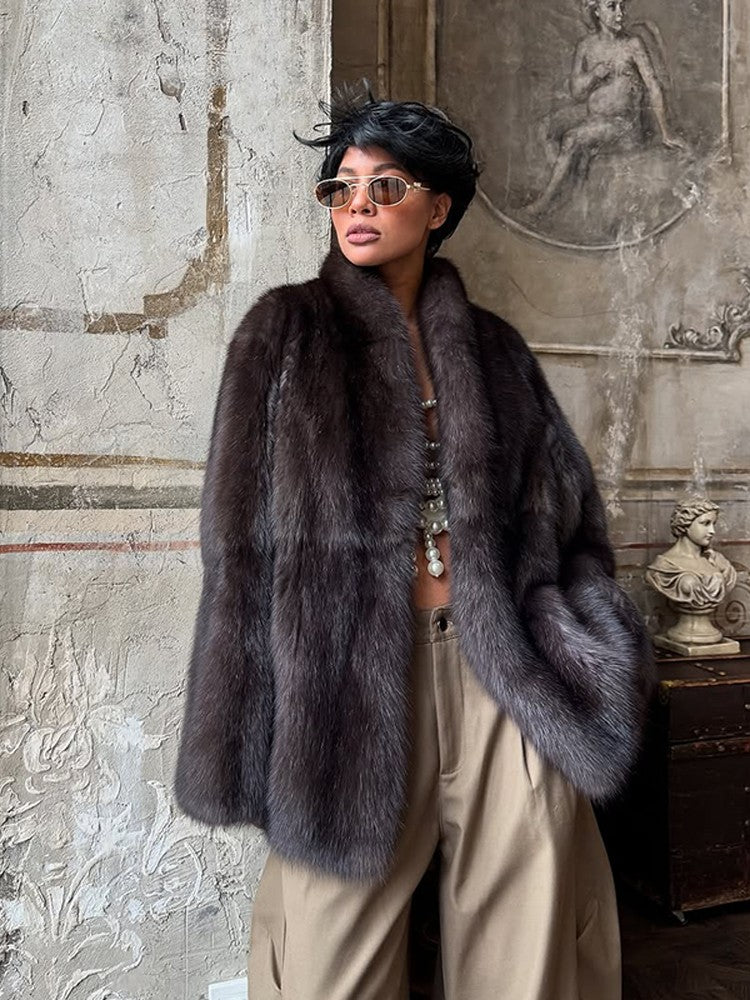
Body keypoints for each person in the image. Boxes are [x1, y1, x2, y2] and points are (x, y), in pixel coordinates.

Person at [174, 87, 656, 999]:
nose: (357, 205)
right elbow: (237, 551)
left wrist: (582, 641)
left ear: (437, 208)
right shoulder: (283, 334)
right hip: (347, 684)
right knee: (329, 965)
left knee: (528, 956)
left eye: (385, 186)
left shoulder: (495, 350)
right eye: (341, 188)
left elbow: (571, 524)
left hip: (500, 672)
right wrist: (247, 723)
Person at [527, 0, 684, 215]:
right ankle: (569, 187)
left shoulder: (632, 44)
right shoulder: (585, 46)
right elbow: (577, 92)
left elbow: (653, 86)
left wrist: (666, 133)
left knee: (572, 139)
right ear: (596, 11)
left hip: (623, 124)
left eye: (622, 6)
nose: (620, 13)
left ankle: (542, 204)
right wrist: (594, 75)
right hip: (594, 117)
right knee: (544, 127)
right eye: (612, 6)